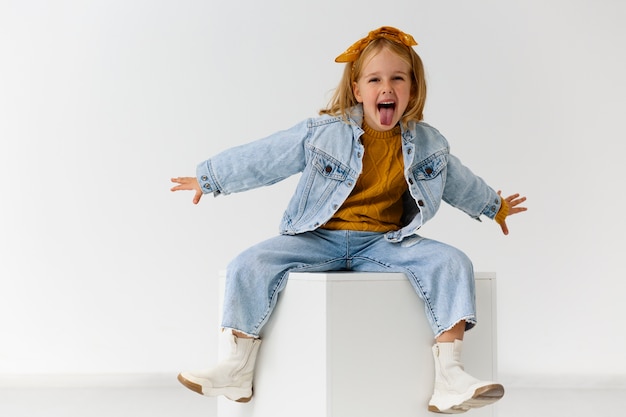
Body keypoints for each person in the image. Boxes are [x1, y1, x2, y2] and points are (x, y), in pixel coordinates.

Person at [170, 26, 527, 414]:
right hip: (317, 237)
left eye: (397, 78)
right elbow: (267, 156)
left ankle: (451, 377)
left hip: (384, 243)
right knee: (248, 264)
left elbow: (459, 181)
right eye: (375, 79)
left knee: (453, 262)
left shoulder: (429, 144)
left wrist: (494, 206)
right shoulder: (324, 134)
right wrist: (211, 178)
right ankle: (235, 369)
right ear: (358, 90)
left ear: (412, 88)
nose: (386, 88)